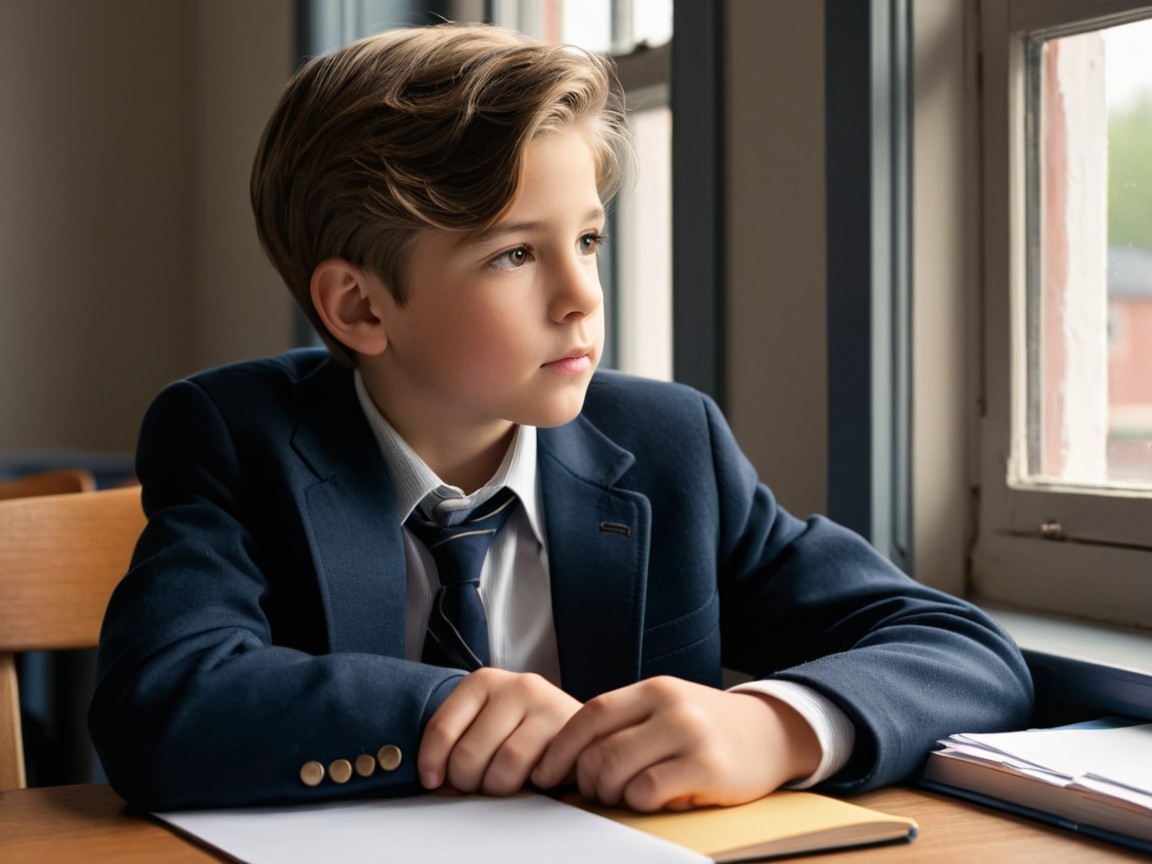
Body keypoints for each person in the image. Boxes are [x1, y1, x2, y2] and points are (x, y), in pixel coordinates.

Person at [89, 22, 1032, 813]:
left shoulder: (672, 448)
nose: (583, 294)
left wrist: (777, 725)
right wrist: (437, 713)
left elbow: (963, 652)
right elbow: (158, 710)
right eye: (513, 255)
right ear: (360, 308)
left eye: (587, 238)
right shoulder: (232, 435)